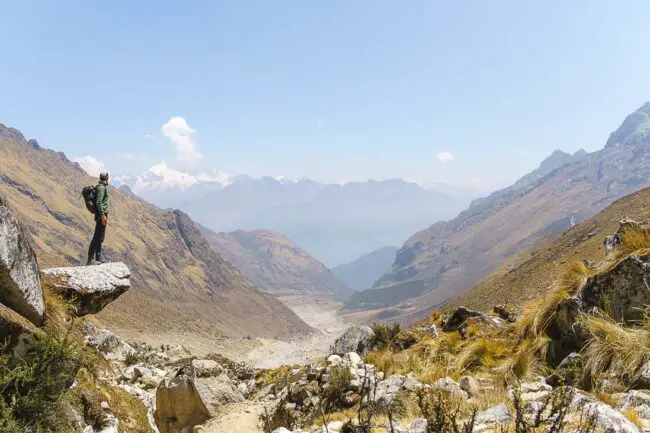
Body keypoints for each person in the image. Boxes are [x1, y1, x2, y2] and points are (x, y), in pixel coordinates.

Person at [87, 172, 110, 265]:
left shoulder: (101, 187)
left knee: (99, 237)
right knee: (97, 237)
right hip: (101, 215)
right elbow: (99, 202)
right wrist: (102, 215)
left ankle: (97, 258)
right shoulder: (101, 188)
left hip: (101, 215)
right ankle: (91, 258)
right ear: (107, 178)